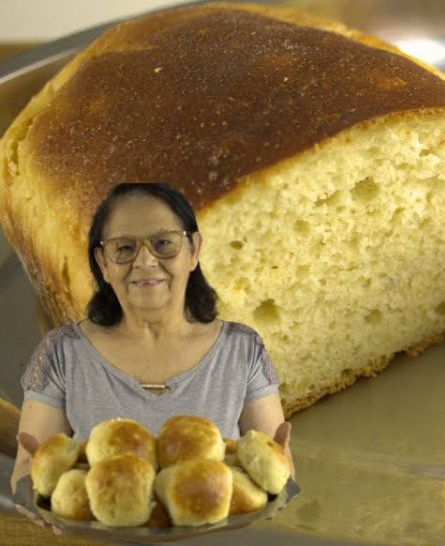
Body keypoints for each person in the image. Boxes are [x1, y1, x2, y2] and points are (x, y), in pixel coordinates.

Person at [9, 182, 292, 510]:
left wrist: (282, 472)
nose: (145, 261)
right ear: (102, 262)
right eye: (124, 248)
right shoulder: (63, 353)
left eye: (163, 244)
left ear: (194, 250)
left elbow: (277, 470)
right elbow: (29, 474)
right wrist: (34, 493)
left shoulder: (241, 348)